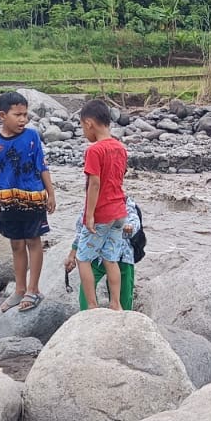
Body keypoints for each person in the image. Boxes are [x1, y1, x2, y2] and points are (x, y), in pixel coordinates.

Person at [0, 91, 56, 312]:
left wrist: (51, 193)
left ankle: (33, 289)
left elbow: (42, 166)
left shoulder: (31, 137)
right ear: (3, 115)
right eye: (17, 115)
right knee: (16, 244)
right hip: (7, 199)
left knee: (33, 241)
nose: (23, 119)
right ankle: (19, 289)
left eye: (25, 115)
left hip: (33, 198)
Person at [76, 99, 129, 312]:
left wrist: (89, 215)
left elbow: (95, 183)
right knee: (111, 258)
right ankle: (116, 304)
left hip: (102, 213)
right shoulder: (120, 148)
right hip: (120, 213)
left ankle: (92, 306)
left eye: (82, 127)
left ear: (89, 123)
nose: (83, 132)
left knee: (83, 258)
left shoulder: (94, 151)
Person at [65, 197, 141, 310]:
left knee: (124, 295)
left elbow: (134, 218)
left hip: (122, 254)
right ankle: (87, 314)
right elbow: (82, 227)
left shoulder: (125, 201)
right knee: (86, 288)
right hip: (97, 254)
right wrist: (73, 253)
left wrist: (130, 227)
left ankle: (122, 318)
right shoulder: (93, 201)